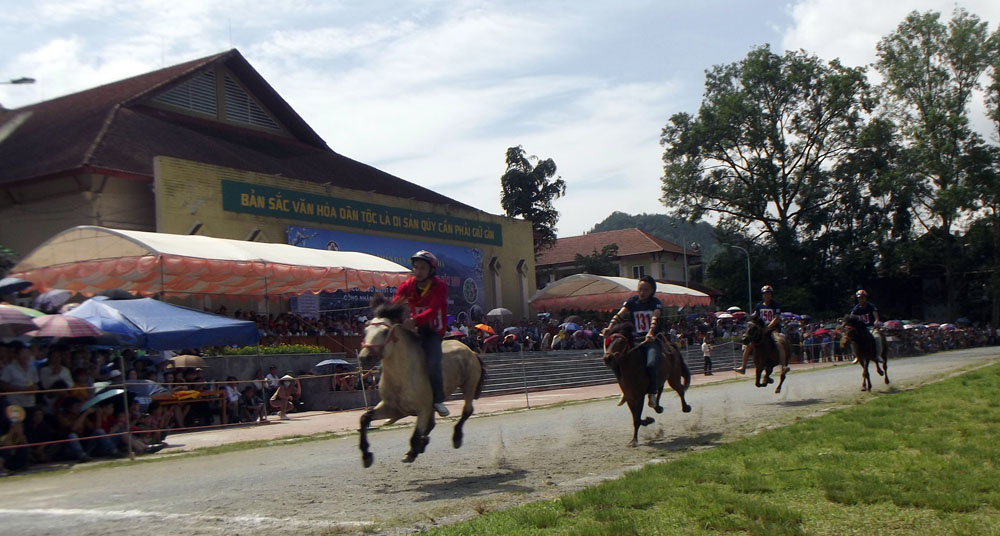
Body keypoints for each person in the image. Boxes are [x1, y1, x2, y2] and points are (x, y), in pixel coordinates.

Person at [391, 250, 450, 417]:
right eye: (416, 267)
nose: (418, 271)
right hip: (413, 329)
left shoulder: (440, 287)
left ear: (431, 270)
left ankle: (438, 399)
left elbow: (433, 310)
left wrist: (415, 320)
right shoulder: (407, 286)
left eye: (423, 268)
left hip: (432, 331)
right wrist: (382, 317)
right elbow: (395, 303)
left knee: (433, 363)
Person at [603, 275, 663, 408]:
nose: (642, 292)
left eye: (646, 290)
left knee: (651, 364)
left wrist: (650, 332)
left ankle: (653, 392)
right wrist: (610, 327)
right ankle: (625, 390)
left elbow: (655, 318)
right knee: (614, 360)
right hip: (634, 340)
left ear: (652, 290)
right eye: (640, 289)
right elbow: (620, 314)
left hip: (650, 340)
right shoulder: (632, 301)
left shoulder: (655, 303)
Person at [735, 285, 789, 374]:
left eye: (768, 294)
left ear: (771, 295)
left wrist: (768, 327)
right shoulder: (759, 305)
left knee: (779, 343)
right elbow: (755, 315)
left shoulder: (775, 305)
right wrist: (748, 316)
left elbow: (776, 318)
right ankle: (743, 367)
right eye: (764, 294)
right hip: (761, 330)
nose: (766, 295)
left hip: (773, 329)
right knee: (748, 346)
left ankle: (783, 366)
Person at [849, 289, 882, 364]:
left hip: (870, 327)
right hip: (860, 329)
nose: (861, 299)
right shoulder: (855, 309)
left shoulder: (870, 306)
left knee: (877, 337)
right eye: (859, 298)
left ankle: (878, 355)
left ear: (865, 298)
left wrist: (876, 321)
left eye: (862, 297)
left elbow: (876, 316)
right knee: (852, 339)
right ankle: (856, 356)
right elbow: (851, 318)